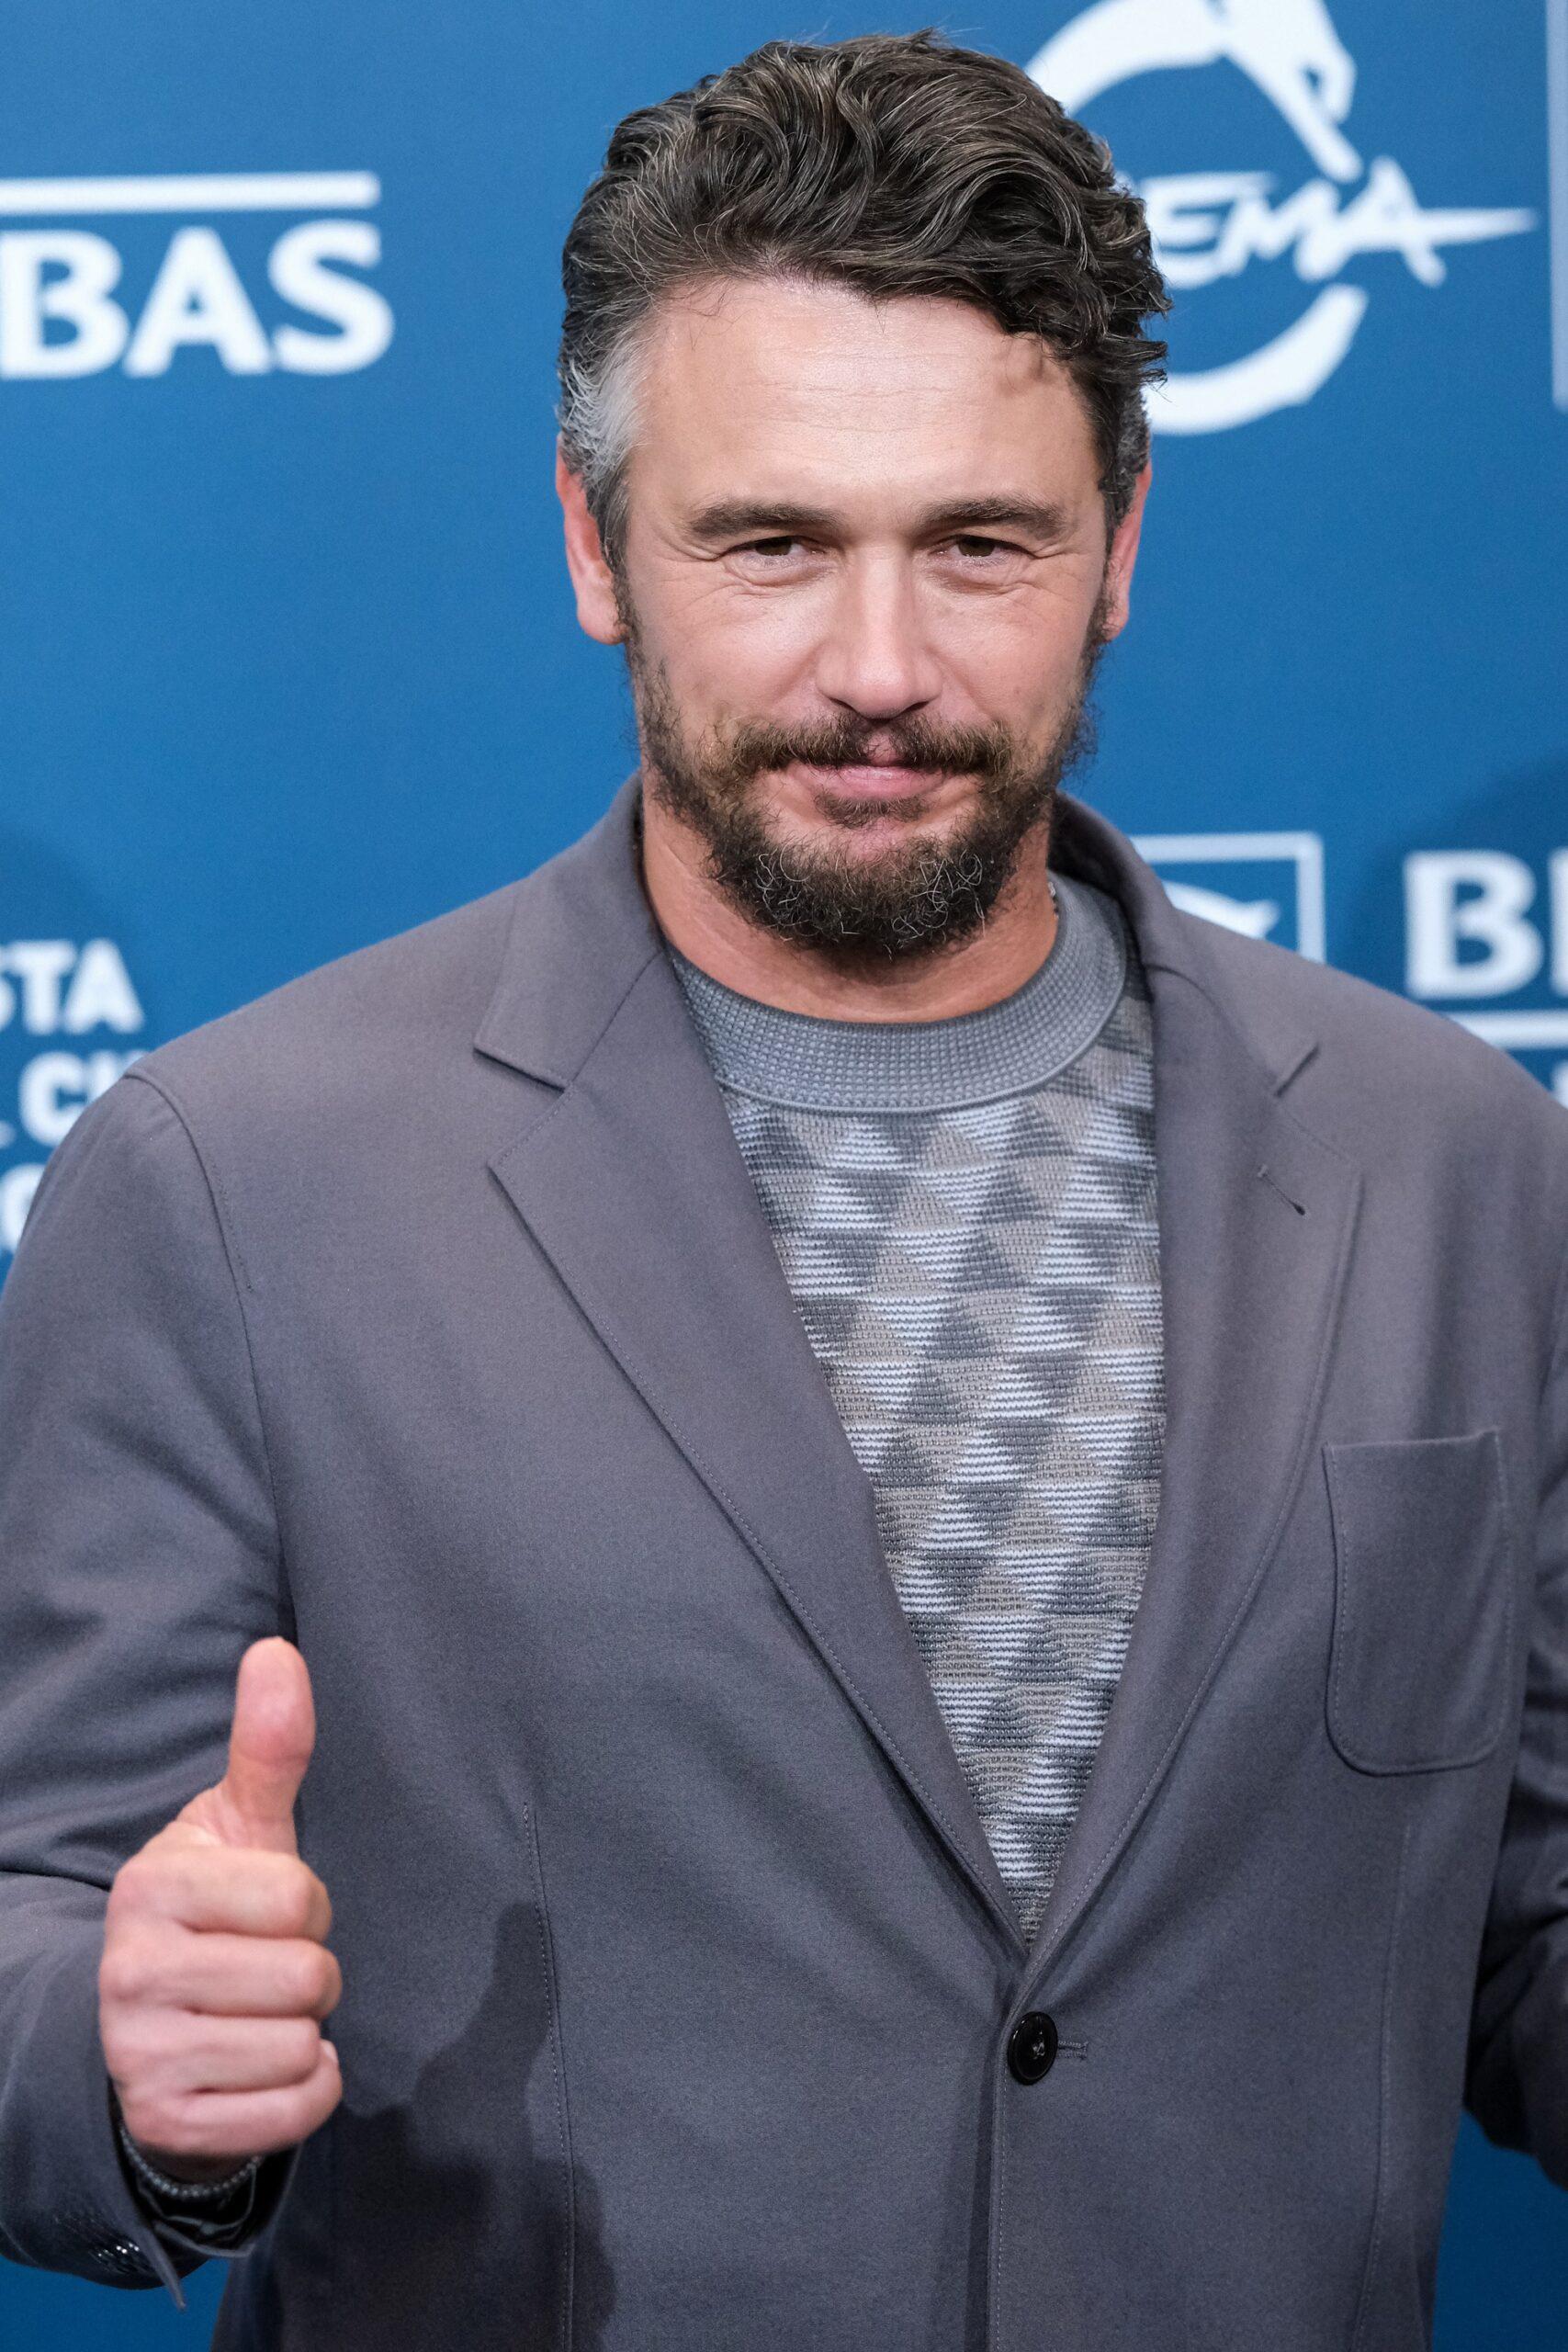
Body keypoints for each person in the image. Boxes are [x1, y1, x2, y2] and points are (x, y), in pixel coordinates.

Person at [0, 29, 1562, 2351]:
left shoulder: (1458, 1162)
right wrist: (123, 2060)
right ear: (591, 544)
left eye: (978, 545)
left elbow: (1523, 1896)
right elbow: (44, 1917)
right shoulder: (235, 1174)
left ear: (1118, 541)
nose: (876, 670)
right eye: (768, 543)